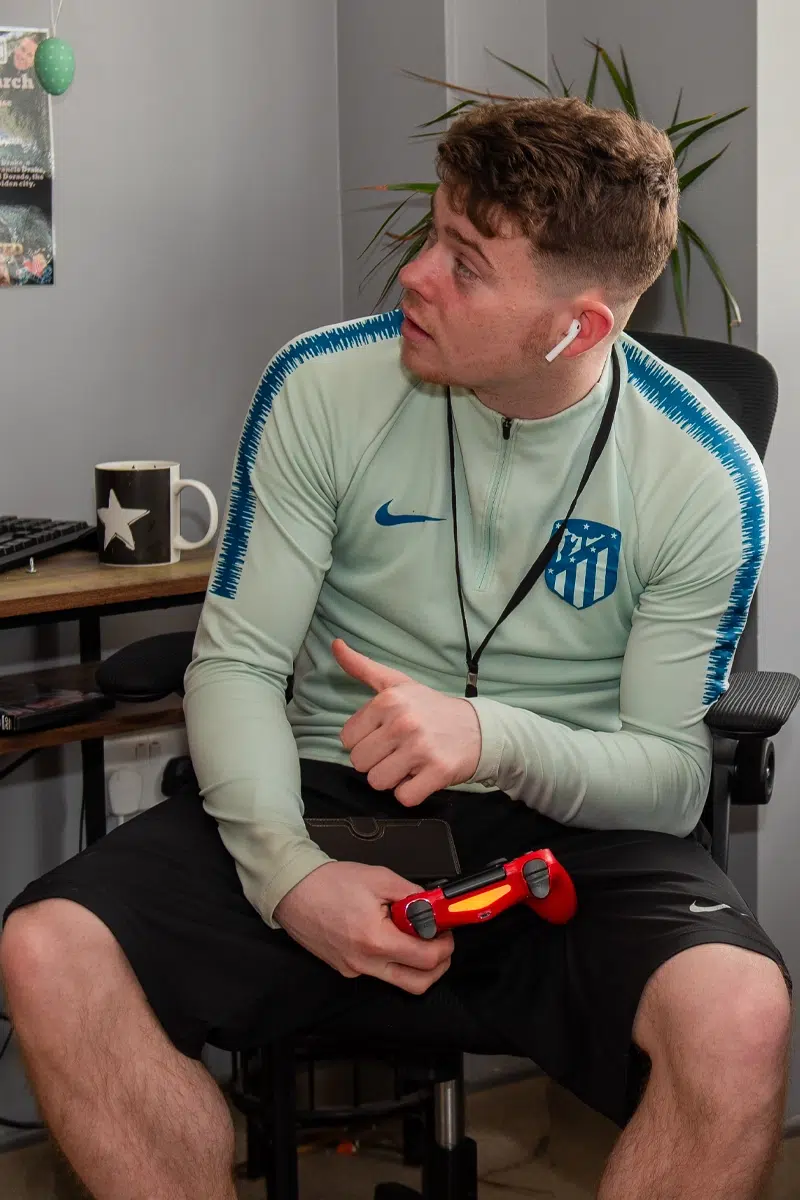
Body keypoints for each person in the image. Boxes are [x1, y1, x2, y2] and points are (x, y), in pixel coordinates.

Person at [0, 96, 792, 1200]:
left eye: (466, 264)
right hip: (331, 792)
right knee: (50, 947)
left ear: (576, 328)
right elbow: (236, 664)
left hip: (573, 822)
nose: (415, 275)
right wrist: (289, 876)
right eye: (433, 233)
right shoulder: (321, 386)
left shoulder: (702, 475)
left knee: (740, 1014)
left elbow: (666, 780)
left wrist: (489, 737)